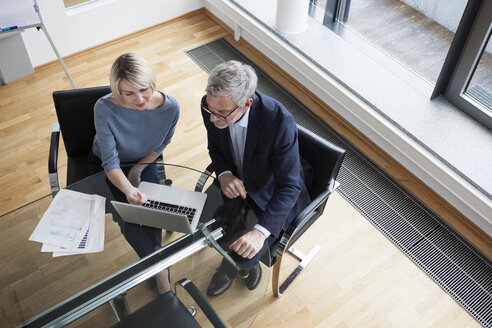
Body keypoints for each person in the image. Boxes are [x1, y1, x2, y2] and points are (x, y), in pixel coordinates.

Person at [200, 60, 310, 296]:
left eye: (221, 113)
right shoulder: (211, 105)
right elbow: (215, 148)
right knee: (200, 222)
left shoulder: (279, 121)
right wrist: (225, 173)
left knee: (245, 253)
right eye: (210, 109)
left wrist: (260, 232)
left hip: (270, 193)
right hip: (235, 183)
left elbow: (289, 187)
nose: (212, 119)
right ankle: (236, 264)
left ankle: (233, 270)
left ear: (246, 104)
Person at [89, 53, 180, 294]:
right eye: (129, 93)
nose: (139, 99)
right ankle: (160, 268)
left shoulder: (171, 107)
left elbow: (162, 144)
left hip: (144, 161)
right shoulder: (104, 108)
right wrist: (128, 188)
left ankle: (156, 265)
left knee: (151, 212)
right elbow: (109, 161)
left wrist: (139, 168)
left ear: (152, 82)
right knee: (129, 217)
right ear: (117, 91)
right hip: (109, 164)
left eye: (144, 89)